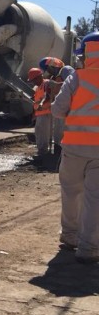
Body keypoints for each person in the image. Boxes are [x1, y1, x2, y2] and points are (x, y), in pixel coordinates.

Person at [51, 31, 99, 264]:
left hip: (73, 148)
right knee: (95, 199)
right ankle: (89, 248)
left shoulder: (76, 78)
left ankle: (70, 237)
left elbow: (57, 110)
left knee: (71, 193)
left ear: (84, 54)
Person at [40, 56, 66, 154]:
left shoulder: (65, 71)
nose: (48, 71)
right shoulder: (53, 77)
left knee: (61, 128)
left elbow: (69, 84)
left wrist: (55, 84)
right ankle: (57, 149)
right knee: (57, 129)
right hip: (57, 106)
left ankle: (60, 150)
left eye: (48, 69)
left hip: (64, 106)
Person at [27, 67, 54, 159]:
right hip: (41, 114)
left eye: (34, 80)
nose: (33, 82)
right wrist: (34, 114)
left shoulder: (46, 84)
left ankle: (43, 153)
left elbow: (48, 97)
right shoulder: (38, 87)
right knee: (40, 133)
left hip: (46, 113)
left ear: (39, 77)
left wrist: (41, 105)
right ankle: (44, 152)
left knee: (43, 134)